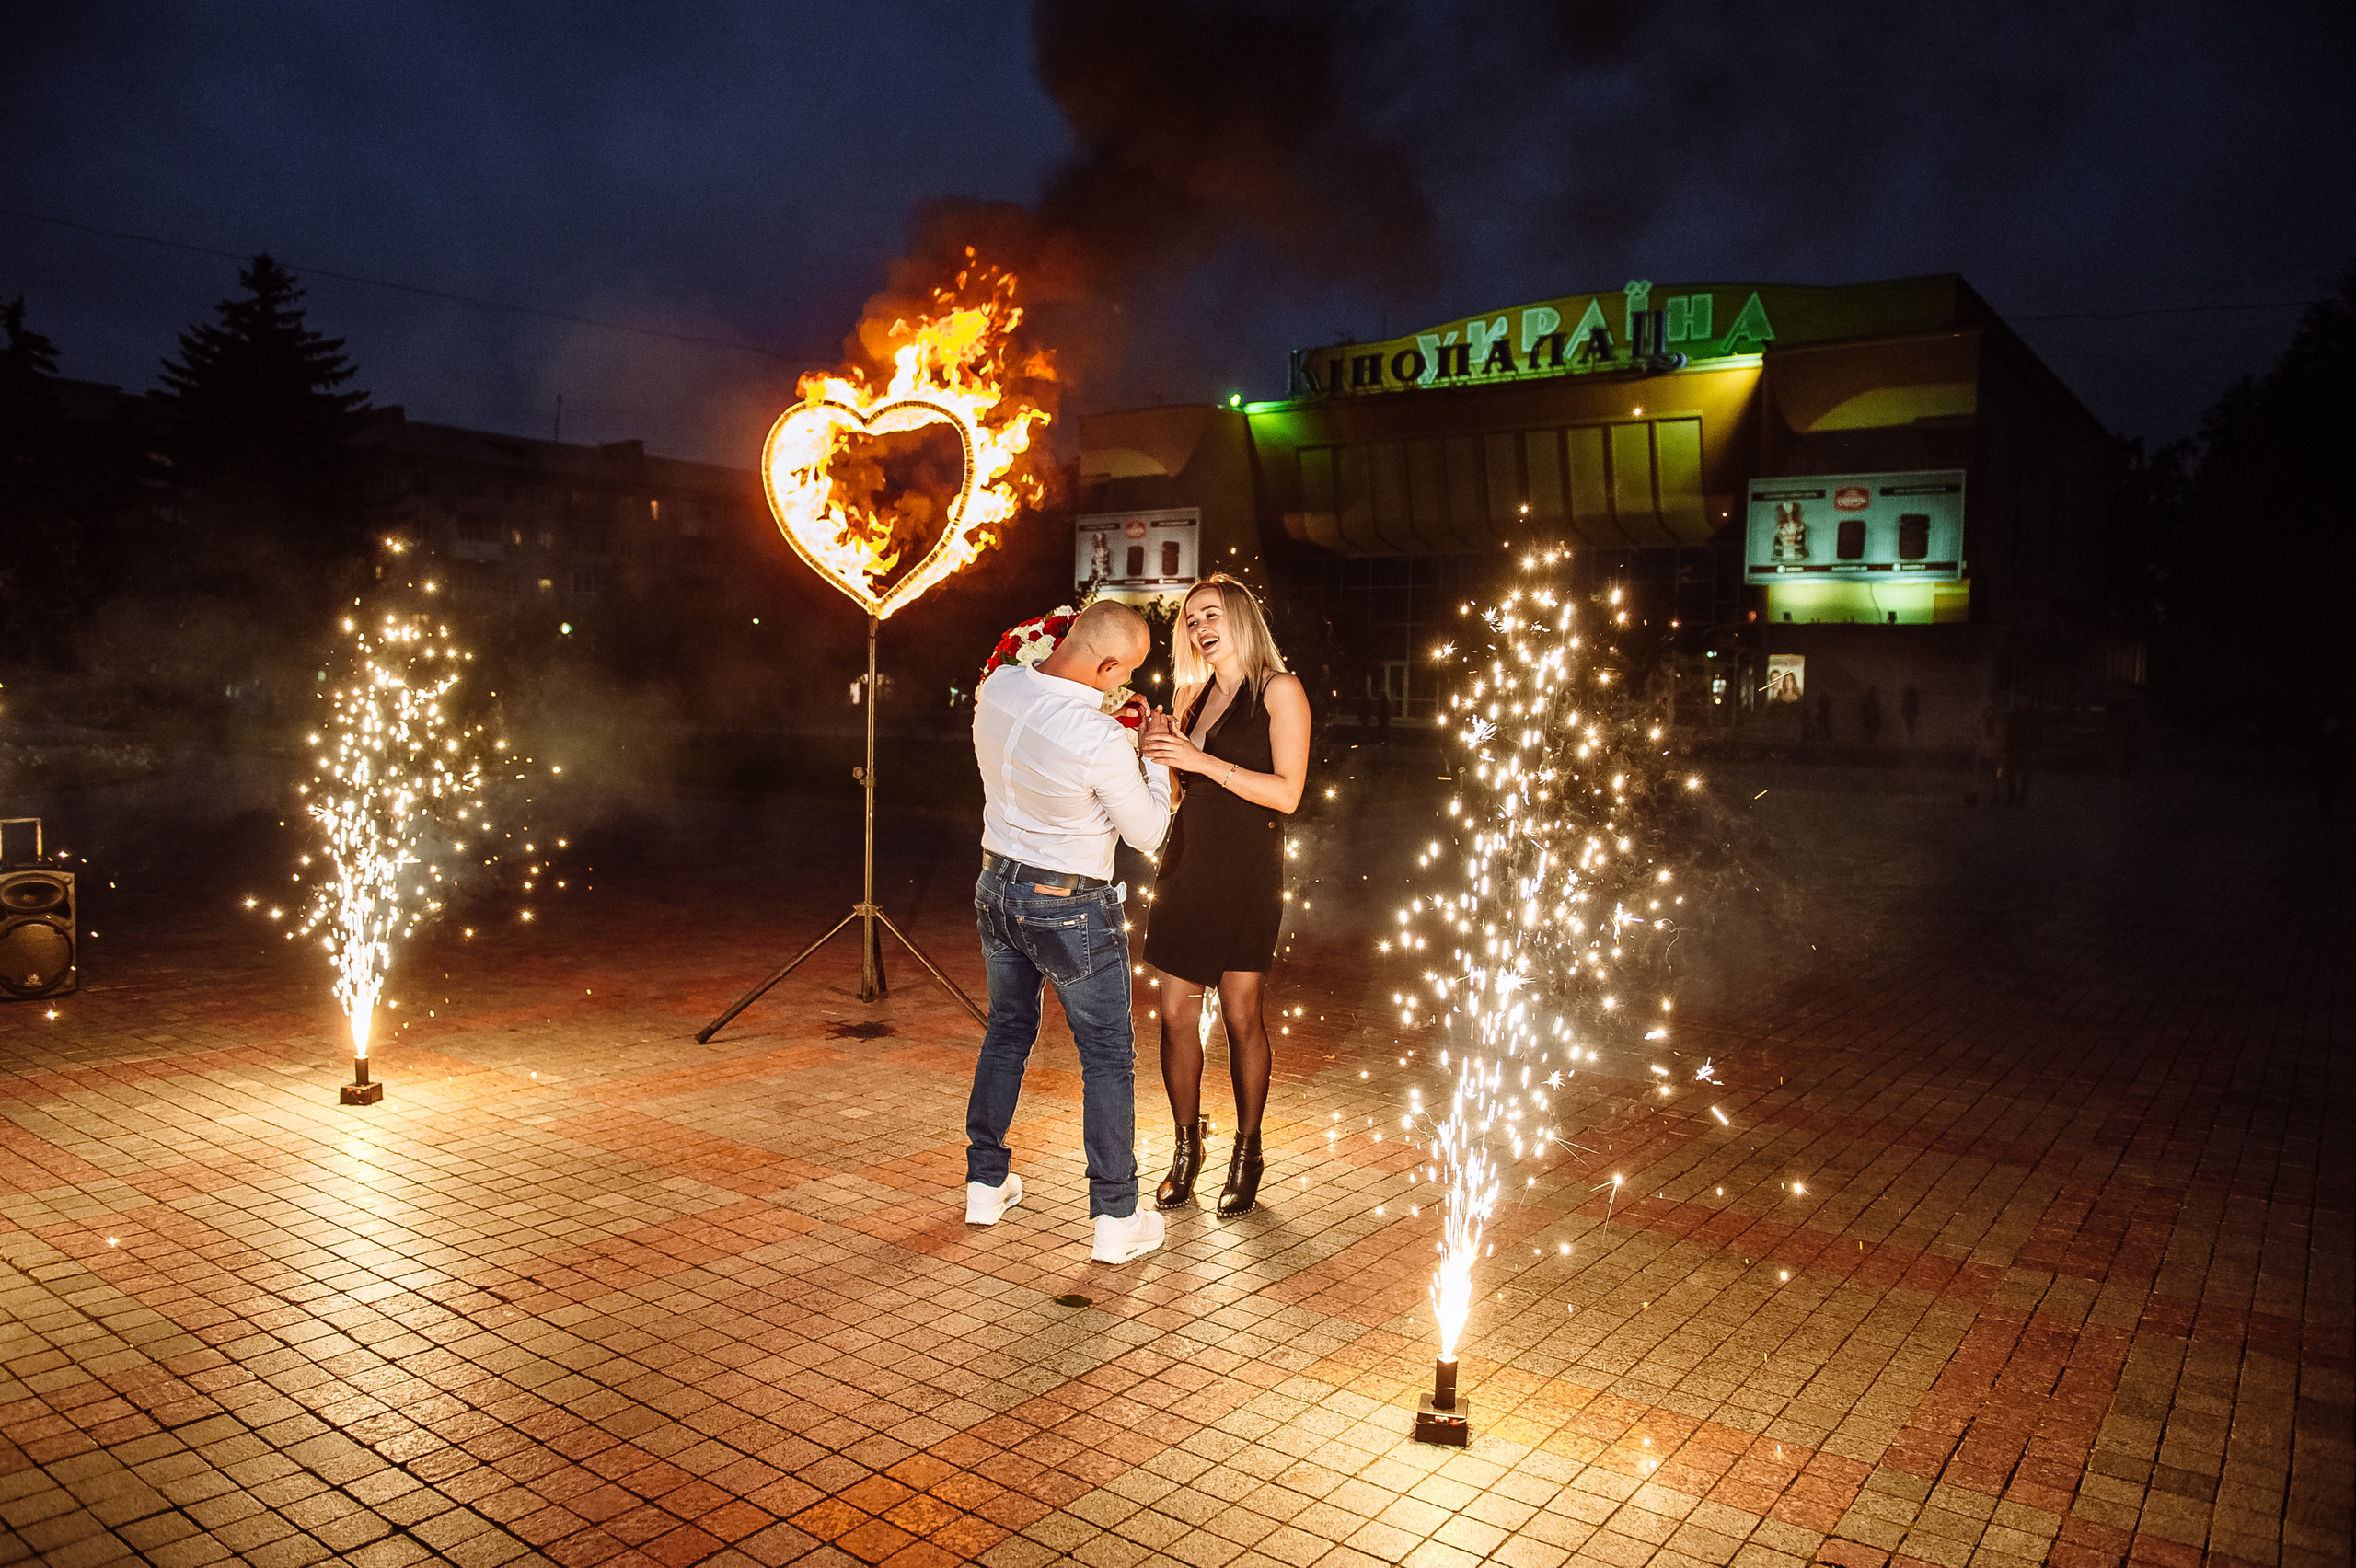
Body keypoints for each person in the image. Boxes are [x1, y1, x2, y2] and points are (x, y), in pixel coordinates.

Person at [964, 600, 1170, 1264]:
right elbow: (1150, 834)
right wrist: (1158, 763)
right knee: (1107, 1056)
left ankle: (984, 1184)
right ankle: (1116, 1219)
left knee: (1008, 1030)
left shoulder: (998, 687)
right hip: (1069, 906)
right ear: (1106, 663)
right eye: (1125, 672)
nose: (1123, 685)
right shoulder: (1100, 736)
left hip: (996, 888)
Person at [1138, 575, 1311, 1218]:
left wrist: (1201, 760)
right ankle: (1187, 1150)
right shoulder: (1191, 695)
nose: (1198, 627)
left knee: (1242, 1014)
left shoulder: (1280, 690)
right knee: (1175, 1011)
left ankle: (1248, 1152)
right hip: (1187, 862)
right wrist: (1155, 752)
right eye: (1189, 620)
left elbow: (1287, 794)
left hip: (1247, 865)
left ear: (1240, 618)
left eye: (1210, 615)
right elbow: (1183, 793)